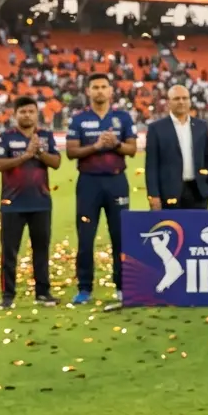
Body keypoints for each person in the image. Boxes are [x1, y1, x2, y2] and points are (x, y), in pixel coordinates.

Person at [65, 73, 136, 305]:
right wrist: (96, 146)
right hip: (89, 183)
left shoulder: (122, 118)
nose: (99, 91)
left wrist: (115, 144)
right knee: (86, 237)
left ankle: (123, 286)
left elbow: (132, 149)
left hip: (116, 182)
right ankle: (84, 288)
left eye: (103, 87)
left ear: (111, 90)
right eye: (95, 87)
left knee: (121, 236)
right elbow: (71, 152)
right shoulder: (79, 119)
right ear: (88, 91)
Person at [0, 96, 60, 309]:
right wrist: (26, 156)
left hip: (41, 202)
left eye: (31, 111)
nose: (27, 115)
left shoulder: (46, 137)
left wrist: (38, 152)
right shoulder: (4, 137)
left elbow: (56, 162)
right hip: (12, 203)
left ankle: (43, 293)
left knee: (41, 250)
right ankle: (8, 296)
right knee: (9, 251)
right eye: (22, 112)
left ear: (36, 114)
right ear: (15, 115)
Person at [145, 84, 208, 211]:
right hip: (169, 193)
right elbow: (151, 165)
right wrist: (153, 195)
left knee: (197, 229)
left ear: (189, 101)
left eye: (185, 98)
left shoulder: (201, 126)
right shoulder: (156, 128)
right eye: (176, 99)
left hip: (198, 191)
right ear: (168, 103)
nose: (181, 102)